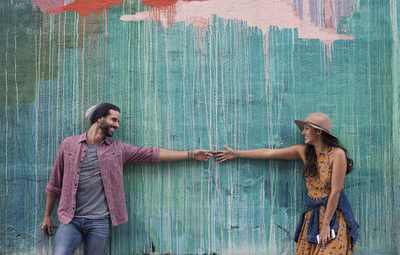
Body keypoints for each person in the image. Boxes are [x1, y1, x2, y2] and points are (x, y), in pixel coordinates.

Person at [41, 102, 213, 255]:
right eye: (114, 120)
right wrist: (47, 216)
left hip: (99, 222)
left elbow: (152, 154)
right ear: (100, 118)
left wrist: (190, 154)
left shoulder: (118, 149)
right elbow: (55, 183)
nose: (117, 125)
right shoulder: (69, 144)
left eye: (118, 121)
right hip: (70, 220)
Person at [214, 113, 359, 254]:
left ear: (319, 131)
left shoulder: (336, 154)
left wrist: (326, 225)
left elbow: (336, 191)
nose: (303, 132)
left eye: (307, 128)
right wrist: (236, 154)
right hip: (313, 215)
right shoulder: (304, 152)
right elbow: (270, 153)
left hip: (333, 216)